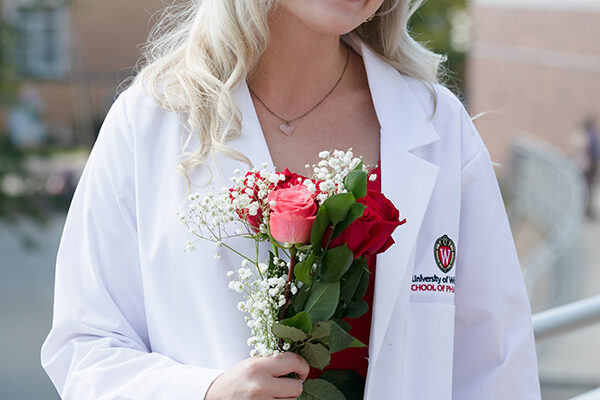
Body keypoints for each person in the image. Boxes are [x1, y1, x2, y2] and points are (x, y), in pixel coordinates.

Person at [41, 1, 541, 399]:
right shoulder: (148, 121)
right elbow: (85, 347)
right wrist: (205, 393)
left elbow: (496, 361)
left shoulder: (437, 124)